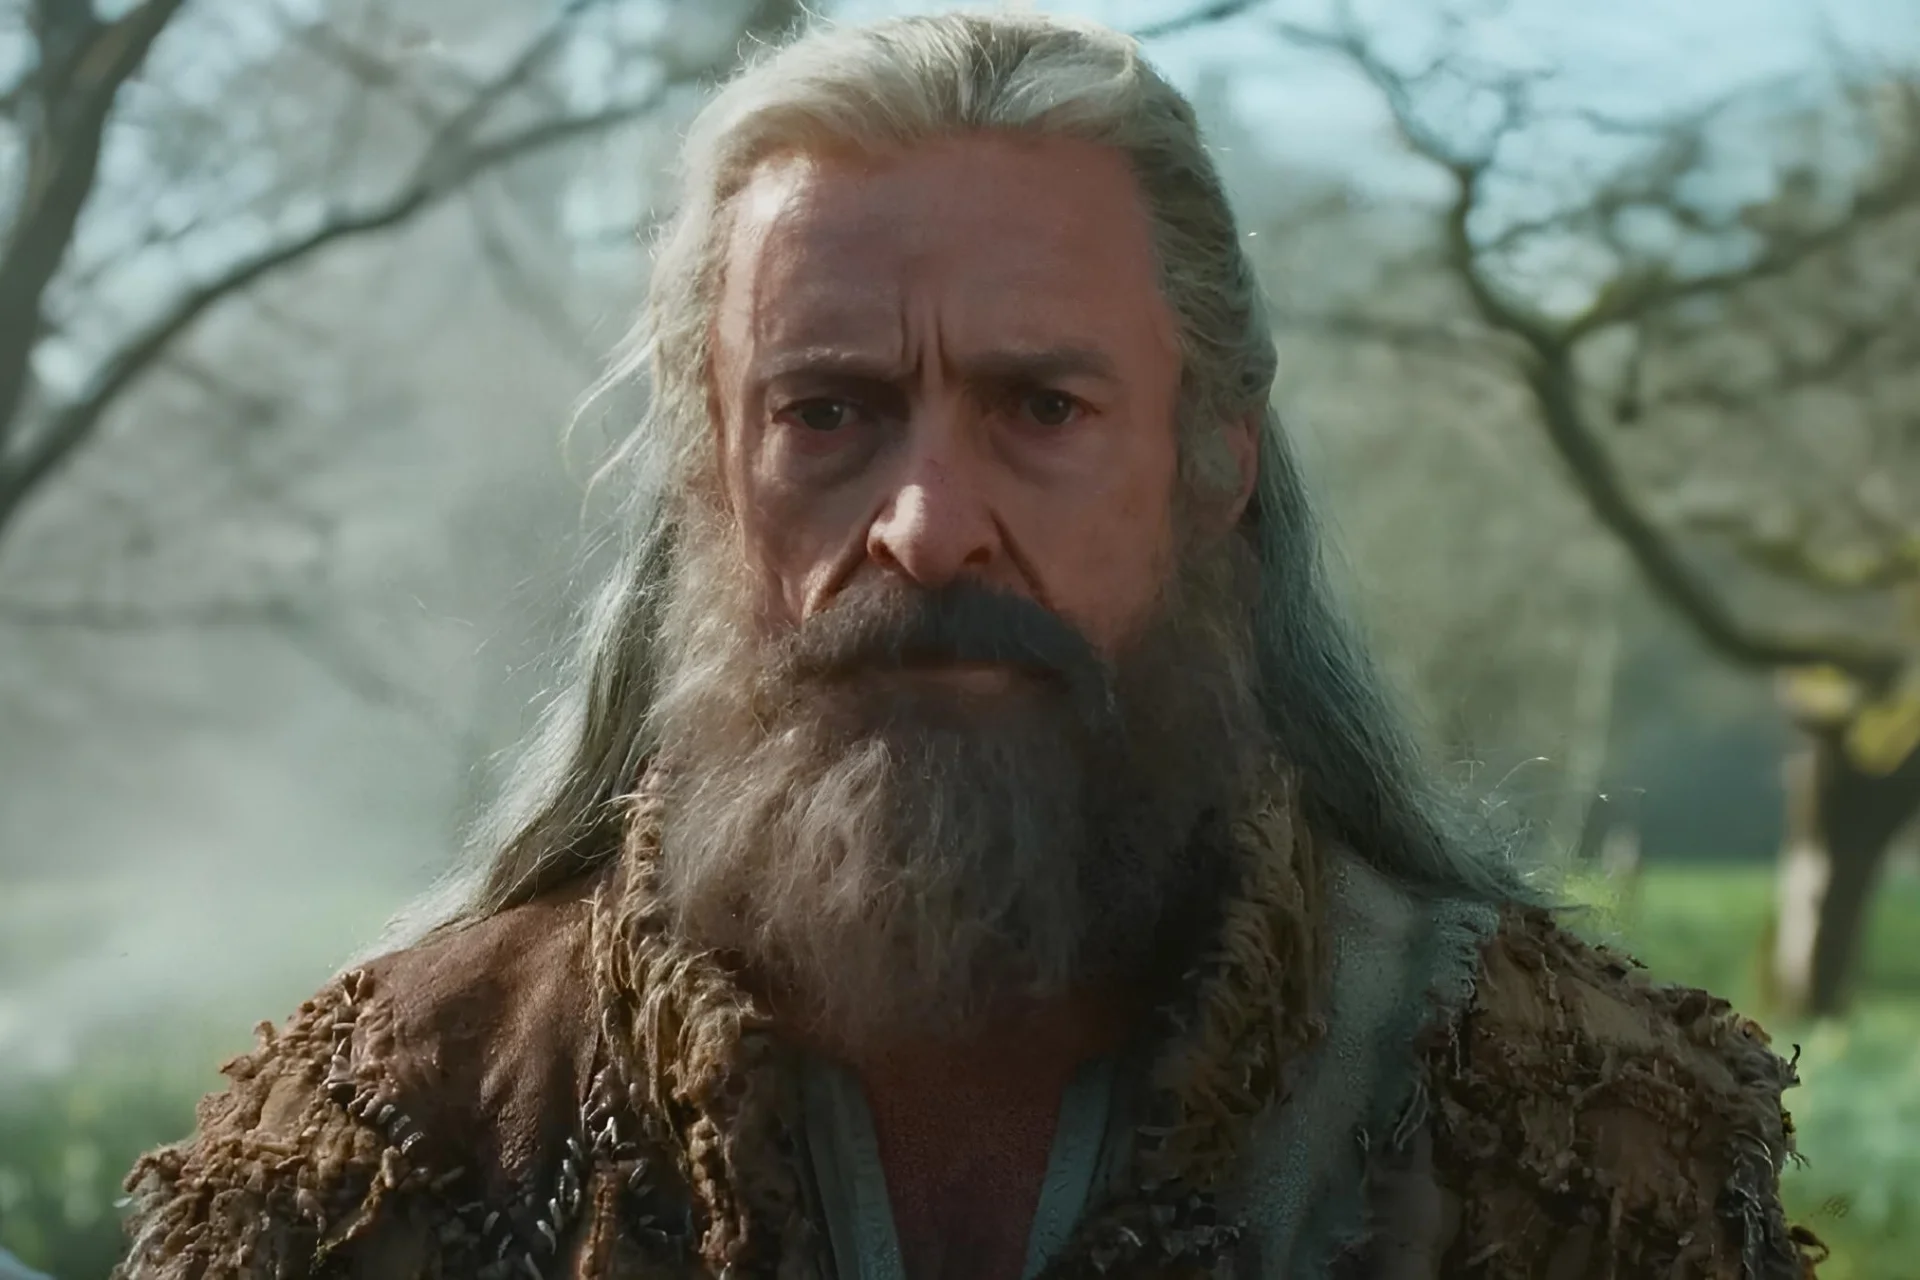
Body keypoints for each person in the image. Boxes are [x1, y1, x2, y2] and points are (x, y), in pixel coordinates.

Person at [116, 12, 1821, 1279]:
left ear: (1213, 464)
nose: (927, 527)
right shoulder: (389, 1145)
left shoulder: (1572, 1138)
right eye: (829, 411)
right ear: (712, 476)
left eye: (1040, 407)